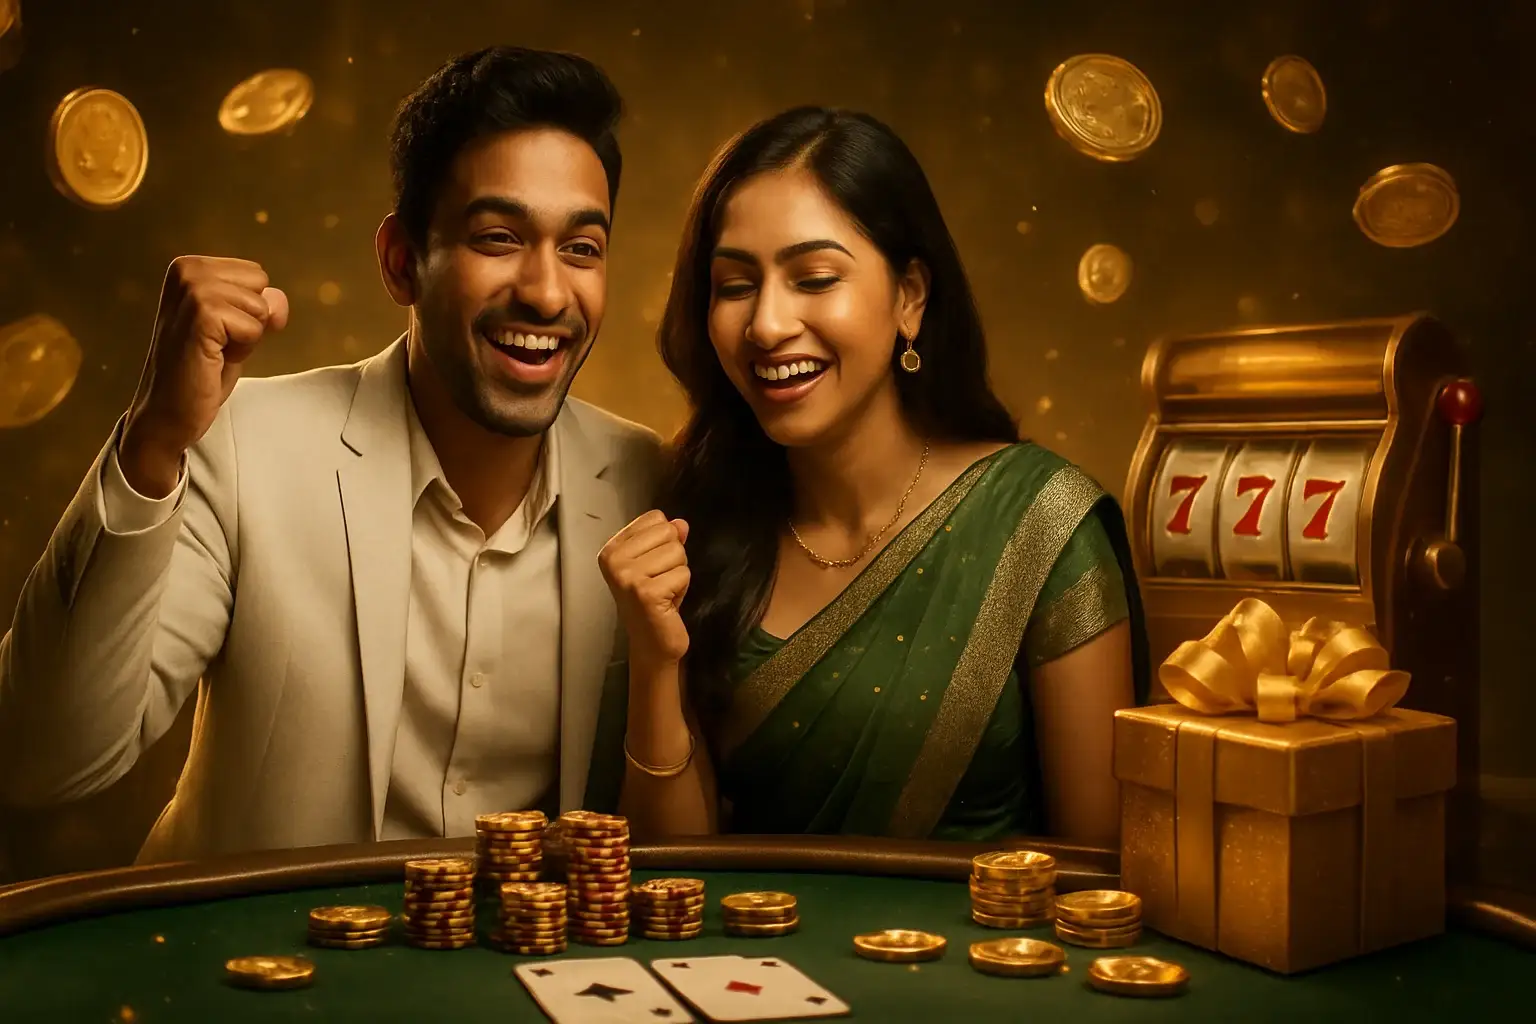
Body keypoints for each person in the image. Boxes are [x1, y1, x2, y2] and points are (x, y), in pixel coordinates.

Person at [0, 46, 673, 863]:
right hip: (243, 977)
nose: (546, 292)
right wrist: (153, 441)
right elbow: (42, 761)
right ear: (401, 263)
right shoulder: (239, 446)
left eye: (581, 248)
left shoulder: (650, 484)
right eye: (498, 237)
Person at [600, 107, 1150, 844]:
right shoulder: (704, 527)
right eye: (734, 285)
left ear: (910, 297)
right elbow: (676, 875)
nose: (766, 325)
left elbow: (1099, 876)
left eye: (815, 278)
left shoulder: (1043, 526)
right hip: (752, 958)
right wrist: (654, 660)